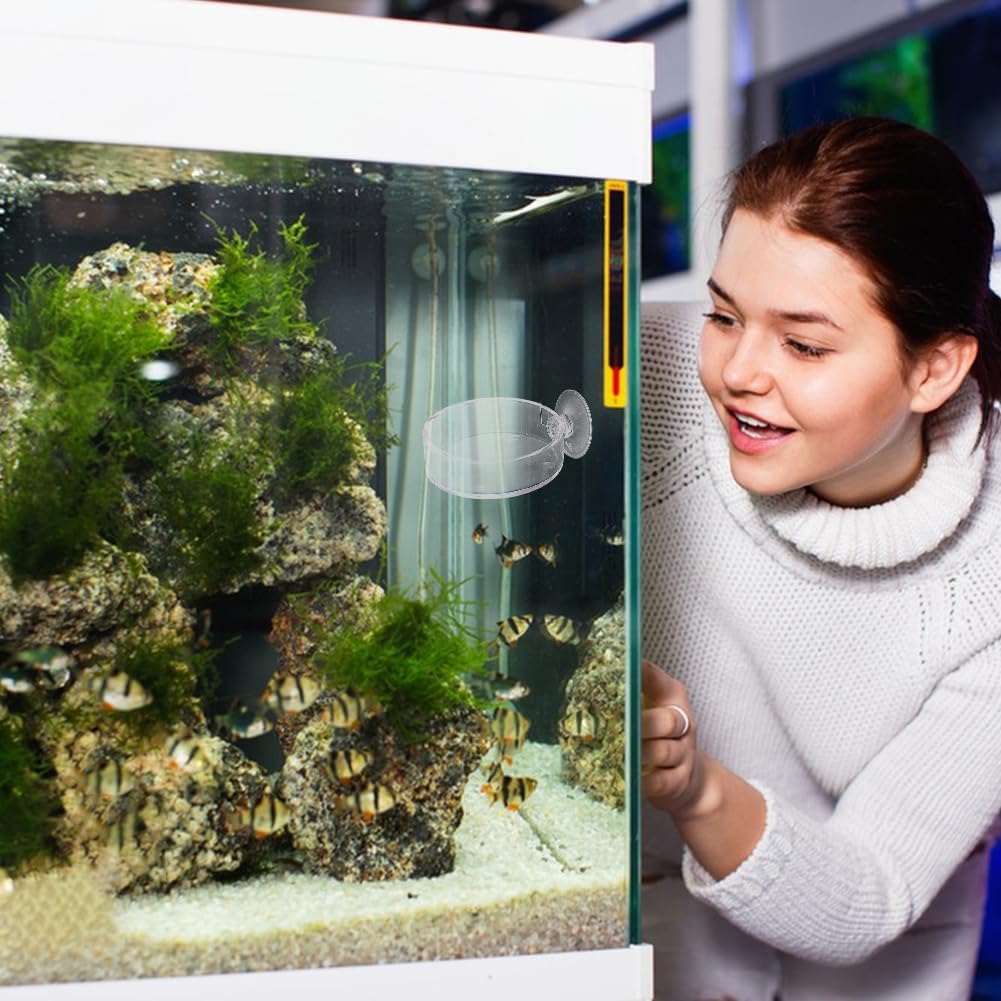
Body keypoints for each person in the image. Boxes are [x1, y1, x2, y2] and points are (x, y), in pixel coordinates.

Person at [639, 116, 1001, 1001]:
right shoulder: (646, 375)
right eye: (723, 314)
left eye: (802, 344)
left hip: (876, 961)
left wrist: (693, 788)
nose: (739, 372)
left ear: (934, 369)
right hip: (656, 925)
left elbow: (869, 890)